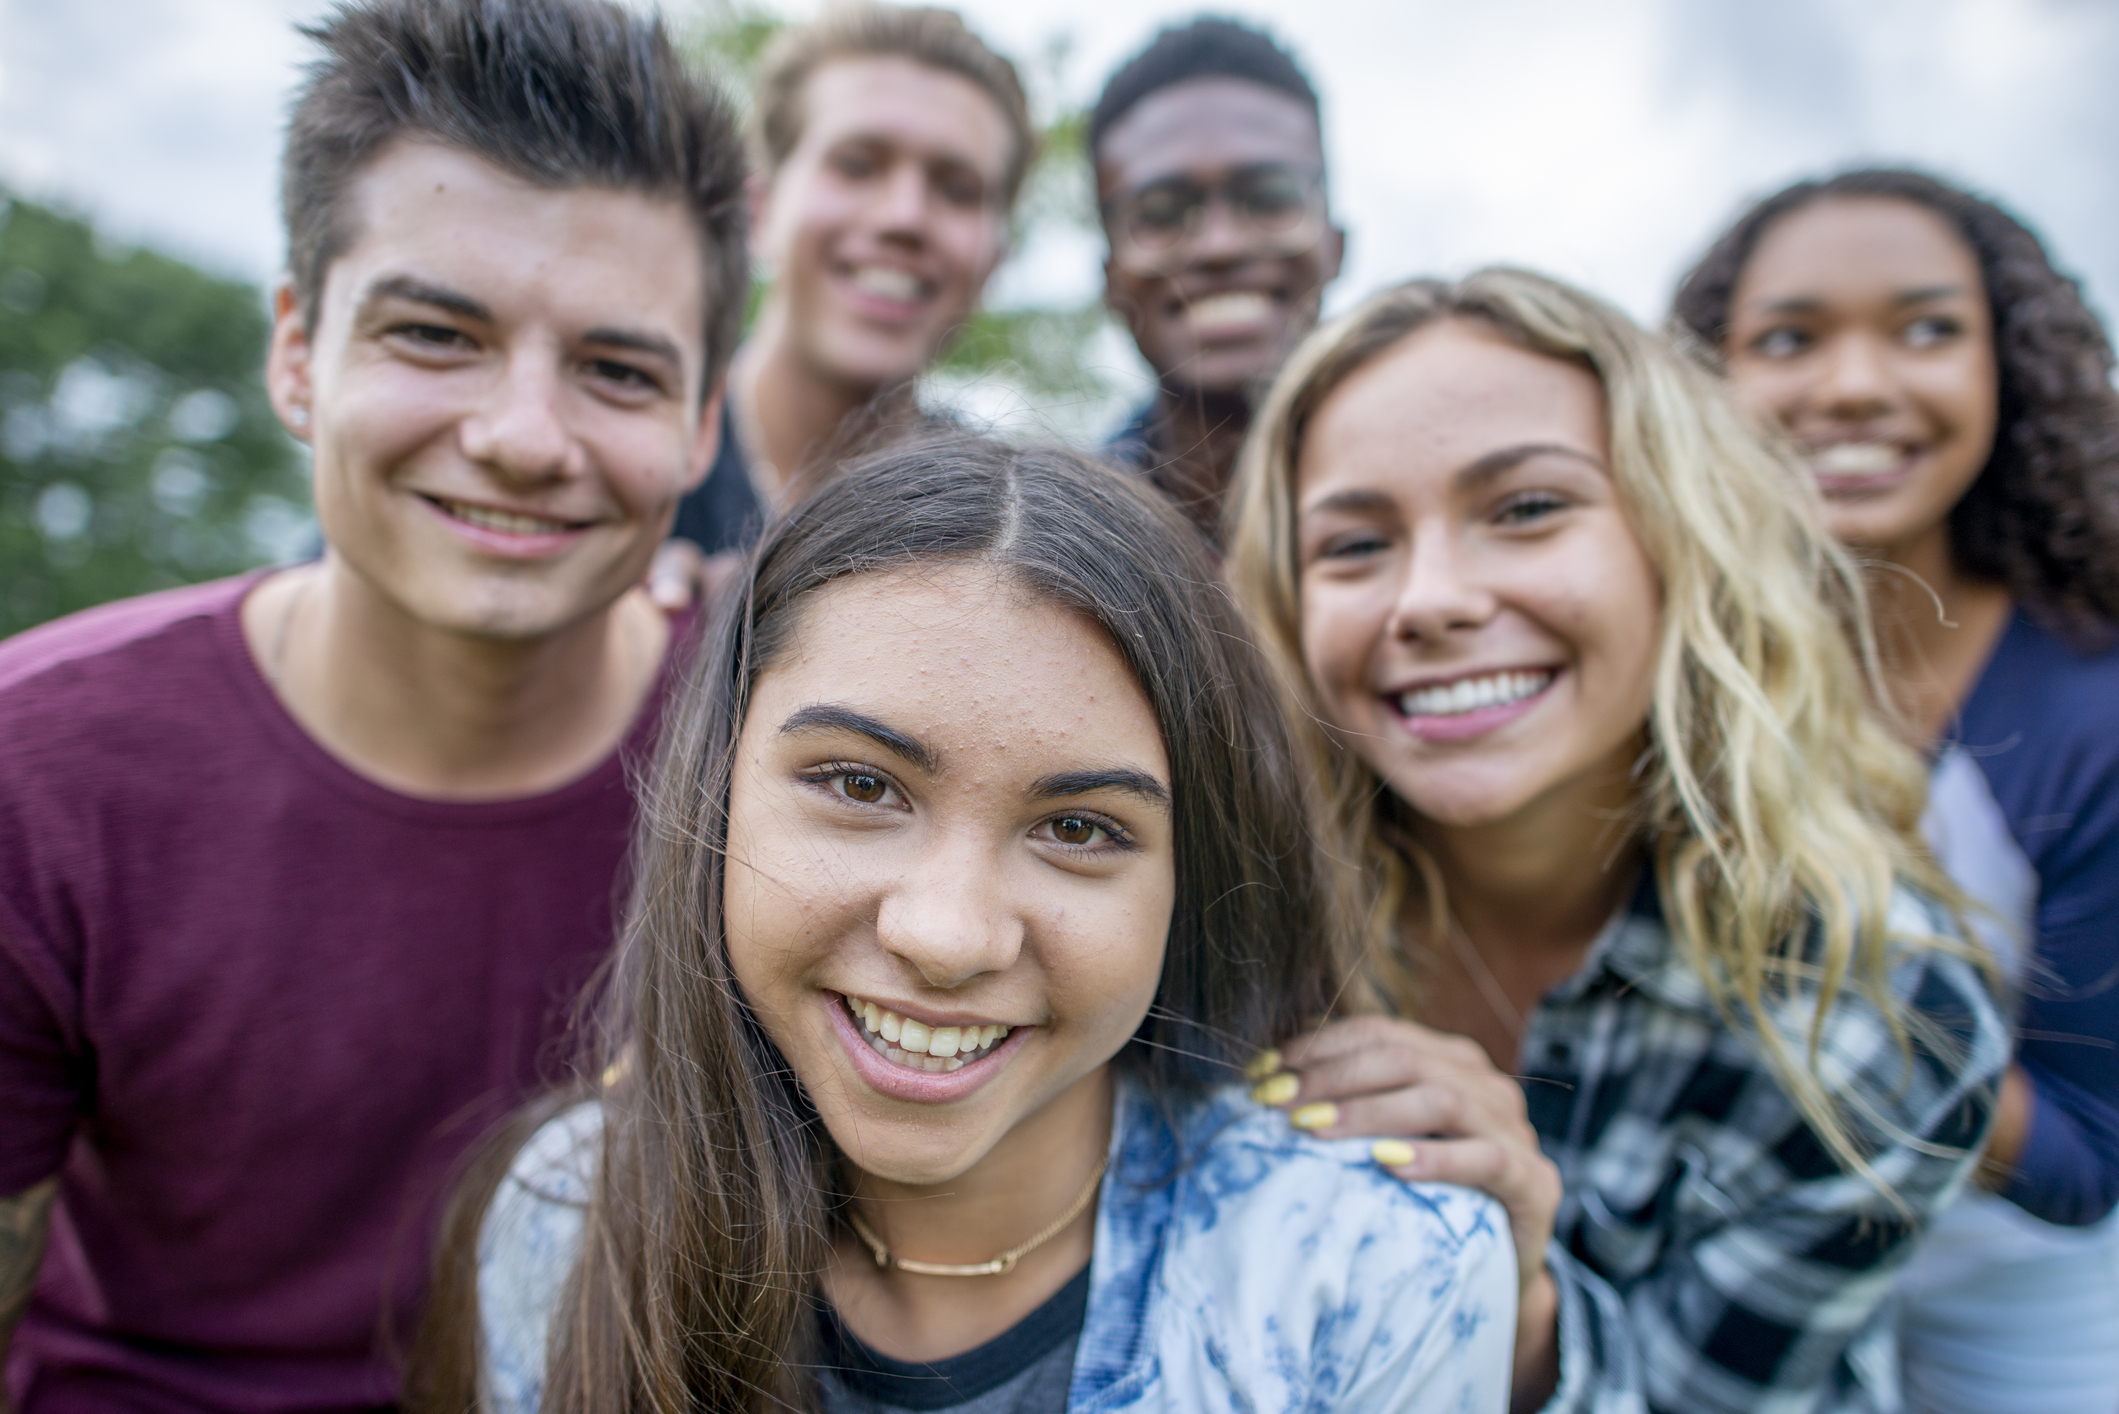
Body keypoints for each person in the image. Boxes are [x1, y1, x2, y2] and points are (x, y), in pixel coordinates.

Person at [412, 436, 1519, 1414]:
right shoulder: (566, 1218)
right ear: (718, 788)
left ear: (1195, 877)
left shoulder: (1376, 1277)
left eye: (1079, 828)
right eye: (858, 785)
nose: (944, 936)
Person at [0, 0, 747, 1406]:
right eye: (435, 333)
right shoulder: (36, 774)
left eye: (616, 368)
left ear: (702, 423)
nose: (523, 437)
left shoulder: (783, 762)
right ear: (297, 347)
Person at [1225, 269, 2009, 1413]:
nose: (1429, 599)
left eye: (1527, 508)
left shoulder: (1875, 1017)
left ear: (1680, 544)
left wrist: (1522, 1302)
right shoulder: (1220, 921)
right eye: (1353, 545)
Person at [1672, 167, 2119, 1414]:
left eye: (1926, 327)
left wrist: (1825, 992)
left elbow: (2086, 1158)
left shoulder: (2091, 713)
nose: (1856, 383)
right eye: (1788, 338)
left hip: (2020, 1344)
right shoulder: (1669, 684)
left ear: (2008, 371)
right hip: (1727, 1322)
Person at [648, 3, 1031, 611]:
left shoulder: (1015, 533)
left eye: (957, 188)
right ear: (760, 209)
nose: (904, 216)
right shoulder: (631, 469)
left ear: (996, 259)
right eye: (856, 165)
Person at [1091, 16, 1345, 543]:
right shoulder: (1058, 552)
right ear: (1109, 278)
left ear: (1335, 245)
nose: (1220, 245)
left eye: (1270, 198)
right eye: (1160, 214)